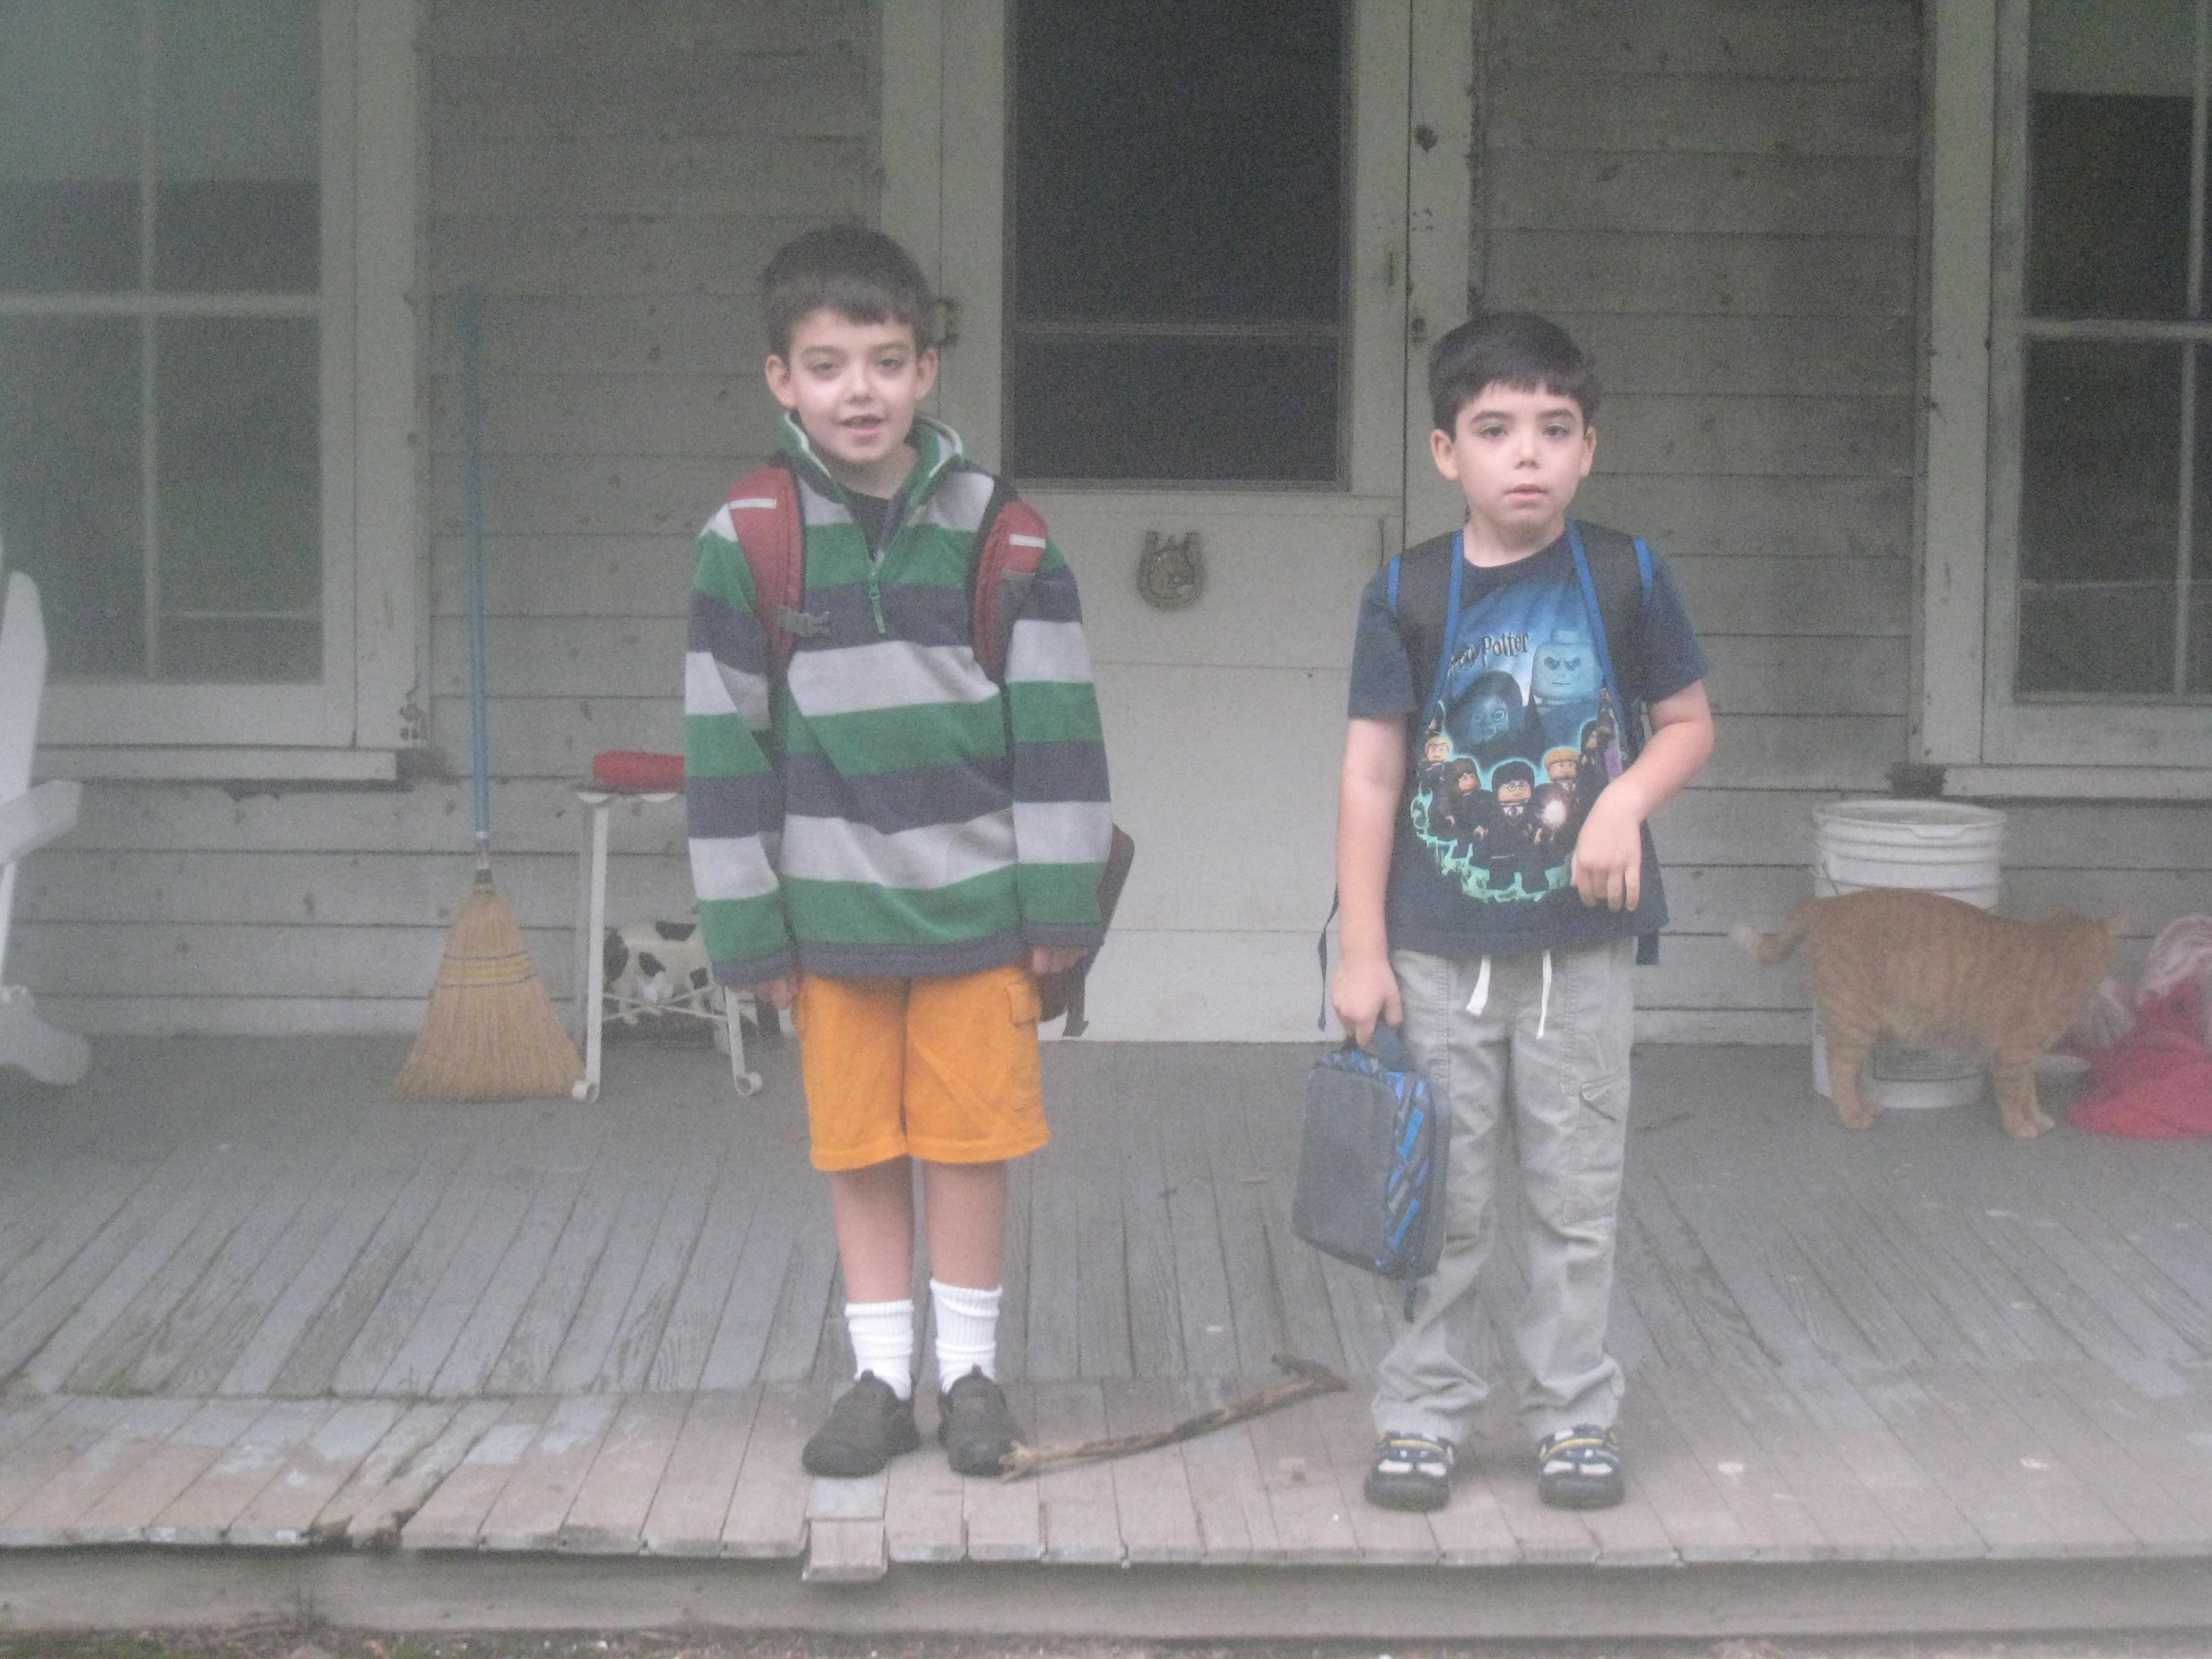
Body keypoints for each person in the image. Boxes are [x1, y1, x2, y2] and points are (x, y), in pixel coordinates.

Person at [685, 226, 1112, 1479]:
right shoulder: (747, 537)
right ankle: (879, 1380)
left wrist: (1062, 907)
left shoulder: (1005, 534)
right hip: (829, 921)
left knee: (971, 1145)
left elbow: (1060, 731)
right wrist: (746, 927)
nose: (858, 391)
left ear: (928, 369)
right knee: (861, 1148)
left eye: (885, 361)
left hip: (979, 912)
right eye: (826, 366)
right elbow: (722, 745)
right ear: (781, 378)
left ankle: (971, 1379)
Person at [1330, 312, 1715, 1514]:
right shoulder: (1408, 590)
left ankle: (1572, 1413)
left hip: (1581, 956)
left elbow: (1689, 724)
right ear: (1448, 452)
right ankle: (1424, 1412)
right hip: (1438, 953)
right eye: (1496, 430)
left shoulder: (1627, 574)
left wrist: (1623, 803)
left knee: (1575, 1199)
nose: (1528, 453)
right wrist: (1362, 948)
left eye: (1555, 428)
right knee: (1440, 1202)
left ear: (1589, 448)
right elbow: (1373, 775)